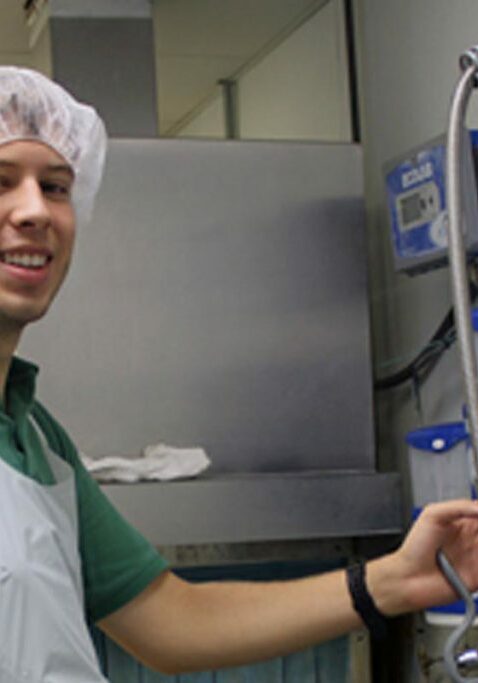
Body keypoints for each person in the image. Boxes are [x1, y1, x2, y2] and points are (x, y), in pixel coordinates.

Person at [0, 66, 477, 681]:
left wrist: (395, 580)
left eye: (58, 186)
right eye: (3, 181)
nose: (35, 210)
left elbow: (173, 621)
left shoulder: (37, 440)